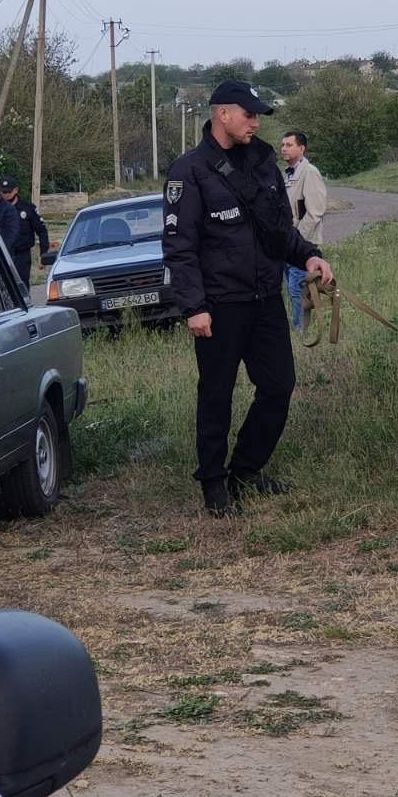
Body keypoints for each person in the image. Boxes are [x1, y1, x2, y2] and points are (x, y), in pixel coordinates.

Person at [163, 81, 334, 517]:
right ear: (223, 114)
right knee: (217, 395)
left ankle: (245, 470)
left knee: (279, 387)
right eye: (249, 114)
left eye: (258, 115)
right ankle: (214, 483)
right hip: (219, 306)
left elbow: (279, 231)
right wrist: (194, 307)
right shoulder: (190, 170)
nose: (256, 122)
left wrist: (310, 256)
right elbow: (179, 247)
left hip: (264, 299)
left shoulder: (263, 164)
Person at [280, 131, 327, 330]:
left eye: (289, 145)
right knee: (291, 292)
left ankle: (302, 331)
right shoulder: (287, 174)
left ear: (302, 148)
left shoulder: (310, 173)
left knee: (298, 290)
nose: (284, 148)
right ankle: (298, 329)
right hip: (286, 246)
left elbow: (315, 212)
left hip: (301, 246)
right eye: (282, 144)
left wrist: (298, 243)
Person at [0, 177, 50, 288]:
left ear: (16, 190)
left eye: (8, 192)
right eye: (3, 192)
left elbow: (41, 231)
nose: (6, 194)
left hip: (21, 255)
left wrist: (43, 254)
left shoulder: (27, 208)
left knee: (21, 286)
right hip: (2, 254)